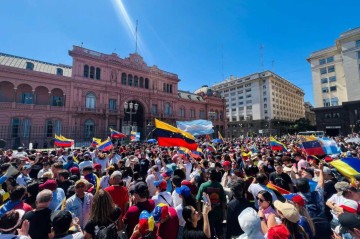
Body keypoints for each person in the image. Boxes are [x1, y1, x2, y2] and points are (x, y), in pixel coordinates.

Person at [196, 167, 226, 239]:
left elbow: (197, 200)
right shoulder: (219, 186)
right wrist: (223, 214)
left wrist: (200, 213)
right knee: (220, 232)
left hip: (207, 213)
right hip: (218, 213)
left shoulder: (203, 185)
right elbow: (223, 201)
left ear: (208, 175)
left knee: (209, 233)